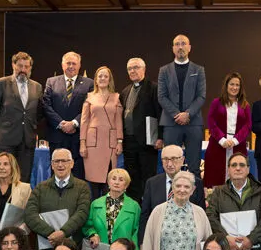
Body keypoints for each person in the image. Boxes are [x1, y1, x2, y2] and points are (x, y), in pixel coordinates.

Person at [24, 148, 91, 250]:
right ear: (52, 165)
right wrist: (50, 233)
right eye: (56, 161)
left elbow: (82, 213)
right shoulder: (40, 187)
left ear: (71, 164)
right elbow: (29, 214)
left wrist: (63, 233)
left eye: (64, 161)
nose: (60, 165)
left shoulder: (82, 187)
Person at [0, 51, 43, 181]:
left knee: (24, 178)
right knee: (4, 177)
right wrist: (6, 123)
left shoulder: (37, 87)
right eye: (20, 66)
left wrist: (32, 126)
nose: (23, 70)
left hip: (27, 140)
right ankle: (5, 202)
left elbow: (39, 112)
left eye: (26, 67)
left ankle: (21, 202)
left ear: (30, 68)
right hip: (6, 140)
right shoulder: (2, 83)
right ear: (13, 65)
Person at [157, 34, 207, 178]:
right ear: (173, 48)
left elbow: (201, 96)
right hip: (171, 124)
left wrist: (188, 114)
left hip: (193, 123)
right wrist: (176, 115)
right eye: (177, 44)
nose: (180, 47)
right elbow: (162, 96)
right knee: (171, 167)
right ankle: (171, 199)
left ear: (189, 47)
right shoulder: (164, 71)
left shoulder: (199, 70)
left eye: (183, 43)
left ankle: (195, 199)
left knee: (194, 167)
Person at [41, 51, 94, 179]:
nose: (71, 66)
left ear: (79, 65)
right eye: (68, 63)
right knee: (57, 174)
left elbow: (90, 107)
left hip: (78, 137)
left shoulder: (89, 83)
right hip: (57, 136)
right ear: (62, 65)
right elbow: (46, 106)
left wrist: (74, 123)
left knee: (78, 175)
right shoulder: (51, 82)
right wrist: (61, 124)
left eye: (74, 63)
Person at [118, 57, 163, 202]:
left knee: (148, 178)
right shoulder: (125, 91)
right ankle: (135, 209)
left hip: (147, 141)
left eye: (136, 67)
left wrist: (160, 137)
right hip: (129, 142)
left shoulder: (154, 88)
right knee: (132, 178)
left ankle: (149, 209)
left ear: (144, 69)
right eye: (130, 68)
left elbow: (160, 113)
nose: (132, 71)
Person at [139, 144, 205, 238]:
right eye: (165, 159)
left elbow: (200, 215)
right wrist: (142, 243)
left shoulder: (195, 182)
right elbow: (145, 216)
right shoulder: (152, 183)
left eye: (174, 159)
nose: (169, 164)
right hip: (158, 239)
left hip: (188, 239)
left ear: (182, 160)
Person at [83, 168, 141, 250]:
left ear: (126, 185)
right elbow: (88, 226)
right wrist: (92, 234)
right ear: (108, 182)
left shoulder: (134, 206)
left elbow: (137, 231)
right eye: (114, 179)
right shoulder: (95, 204)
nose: (117, 182)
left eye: (121, 179)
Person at [80, 65, 123, 197]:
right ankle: (94, 212)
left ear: (110, 79)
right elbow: (84, 121)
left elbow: (118, 121)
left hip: (110, 144)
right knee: (92, 183)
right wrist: (82, 142)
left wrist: (119, 141)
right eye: (100, 76)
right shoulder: (89, 97)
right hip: (92, 145)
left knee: (108, 180)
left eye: (106, 76)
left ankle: (106, 213)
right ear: (96, 80)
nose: (103, 78)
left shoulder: (116, 97)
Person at [203, 72, 251, 188]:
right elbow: (211, 122)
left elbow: (248, 125)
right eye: (232, 84)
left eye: (237, 85)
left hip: (238, 145)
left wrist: (235, 141)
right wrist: (222, 139)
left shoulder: (245, 105)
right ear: (226, 85)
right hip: (218, 144)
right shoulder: (216, 102)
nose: (234, 87)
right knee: (215, 175)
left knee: (237, 174)